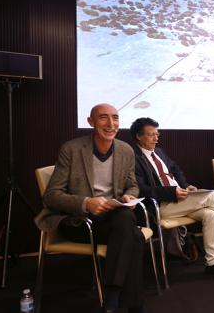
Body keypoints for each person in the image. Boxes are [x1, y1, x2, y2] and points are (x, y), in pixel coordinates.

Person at [35, 104, 145, 313]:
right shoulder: (72, 149)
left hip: (112, 221)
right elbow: (51, 196)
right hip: (79, 222)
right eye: (104, 118)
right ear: (91, 122)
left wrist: (130, 195)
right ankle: (131, 304)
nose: (111, 124)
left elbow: (132, 185)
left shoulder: (125, 150)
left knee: (125, 220)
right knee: (134, 235)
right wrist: (86, 203)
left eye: (115, 118)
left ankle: (112, 299)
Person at [130, 117, 214, 282]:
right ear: (138, 136)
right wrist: (172, 192)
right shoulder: (133, 158)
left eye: (157, 134)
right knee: (212, 195)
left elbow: (175, 169)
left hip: (179, 199)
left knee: (210, 215)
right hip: (161, 205)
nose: (156, 138)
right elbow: (141, 189)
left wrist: (185, 186)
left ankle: (213, 263)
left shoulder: (160, 152)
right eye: (151, 135)